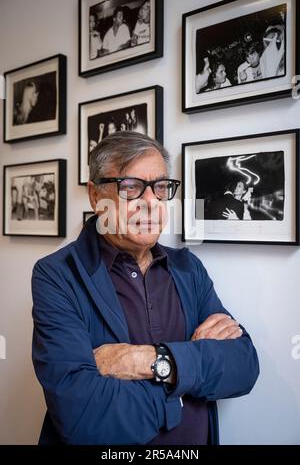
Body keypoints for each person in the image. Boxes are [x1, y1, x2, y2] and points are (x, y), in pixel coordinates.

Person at [32, 131, 259, 445]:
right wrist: (187, 385)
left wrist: (147, 360)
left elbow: (243, 365)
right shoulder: (58, 275)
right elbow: (82, 417)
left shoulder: (187, 267)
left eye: (161, 186)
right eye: (131, 187)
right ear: (96, 197)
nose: (151, 203)